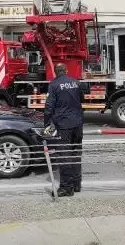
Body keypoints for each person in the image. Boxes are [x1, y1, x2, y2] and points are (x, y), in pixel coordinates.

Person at [44, 63, 84, 197]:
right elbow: (81, 98)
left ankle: (67, 188)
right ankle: (77, 184)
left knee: (64, 156)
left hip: (64, 125)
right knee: (76, 153)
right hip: (78, 124)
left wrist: (47, 125)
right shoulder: (75, 82)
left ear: (56, 72)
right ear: (66, 71)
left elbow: (49, 107)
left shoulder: (54, 85)